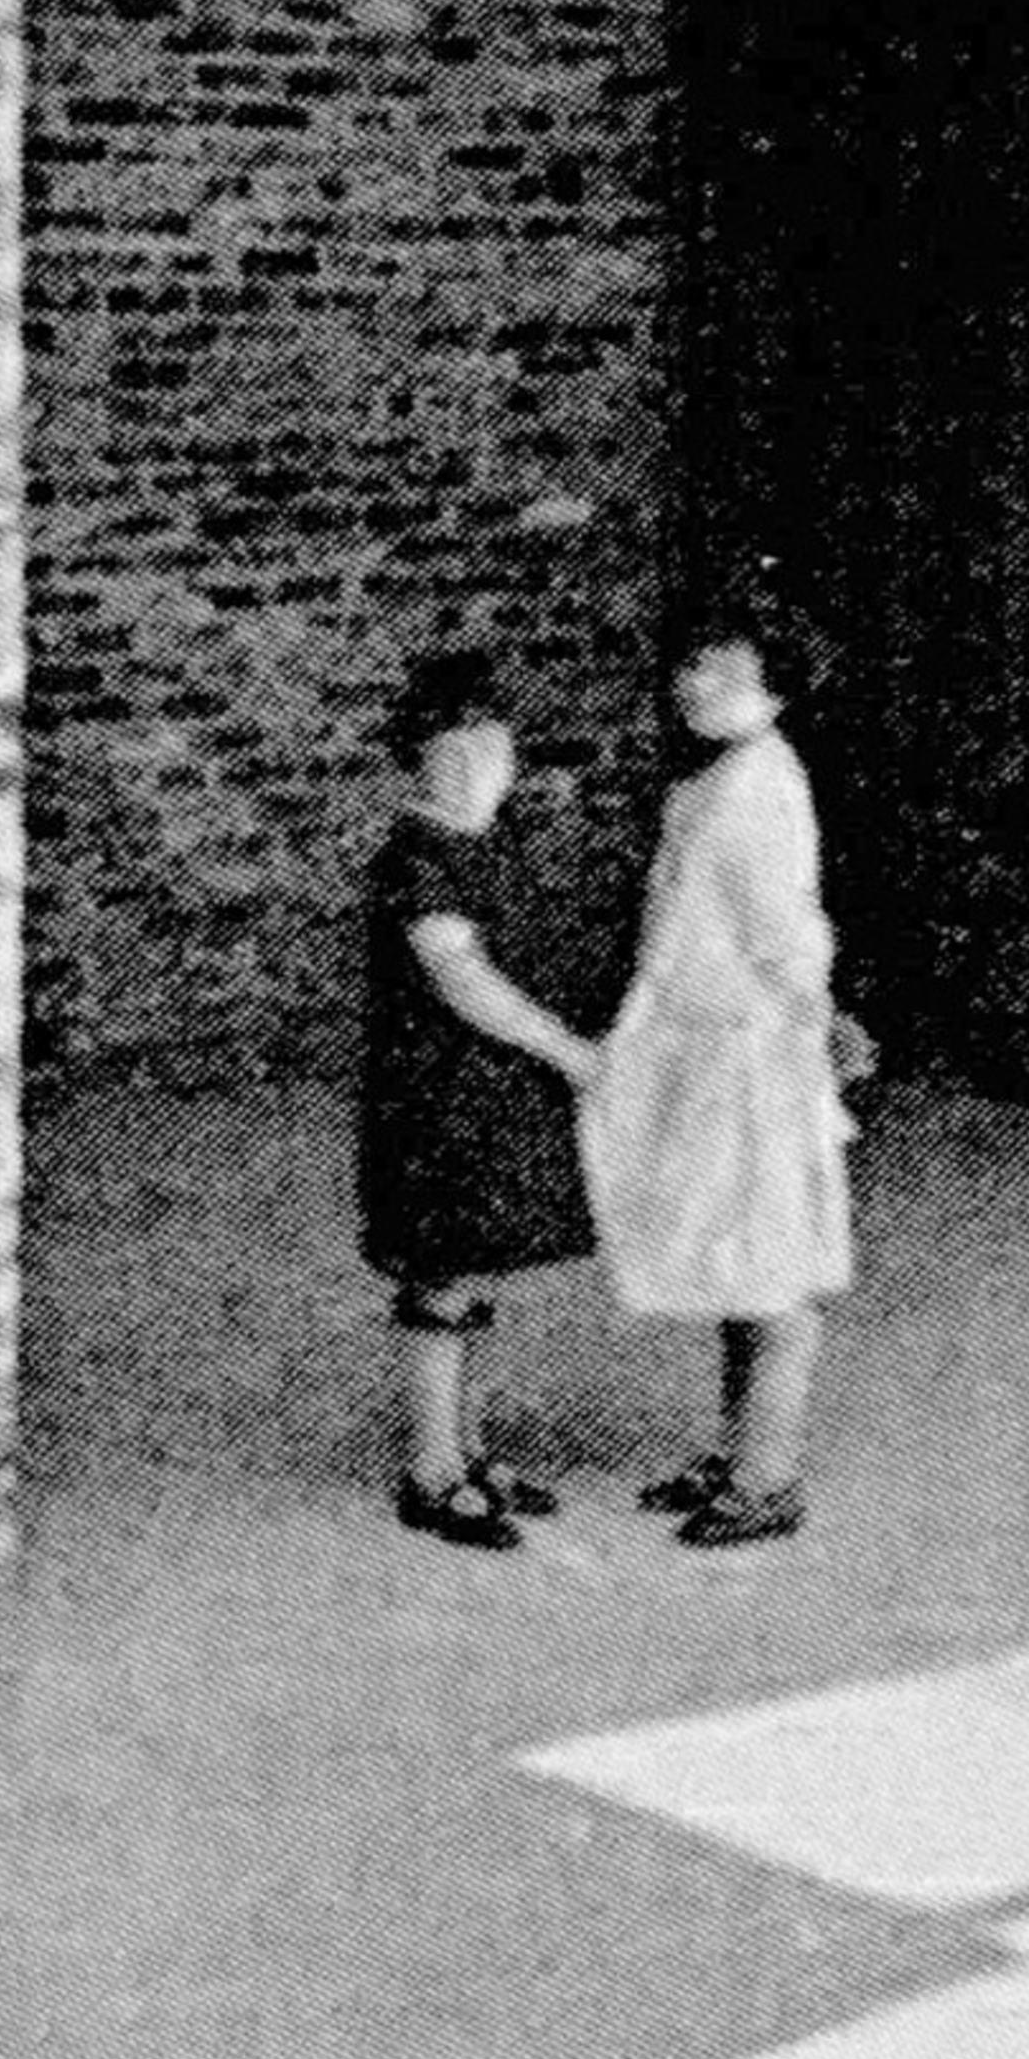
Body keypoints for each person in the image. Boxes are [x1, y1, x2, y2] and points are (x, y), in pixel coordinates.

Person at [579, 610, 857, 1549]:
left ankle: (766, 1479)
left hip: (753, 1056)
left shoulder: (757, 786)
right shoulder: (712, 783)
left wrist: (819, 1021)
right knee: (733, 1256)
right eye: (693, 665)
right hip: (707, 1048)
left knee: (769, 1264)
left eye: (725, 672)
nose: (695, 683)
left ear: (775, 691)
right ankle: (740, 1453)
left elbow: (785, 936)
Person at [356, 649, 603, 1548]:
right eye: (454, 750)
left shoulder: (490, 844)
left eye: (493, 748)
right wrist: (568, 1051)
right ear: (417, 757)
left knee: (478, 1267)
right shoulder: (415, 856)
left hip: (495, 1095)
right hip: (438, 1099)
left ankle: (469, 1450)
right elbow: (461, 978)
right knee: (443, 1275)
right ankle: (431, 1470)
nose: (478, 767)